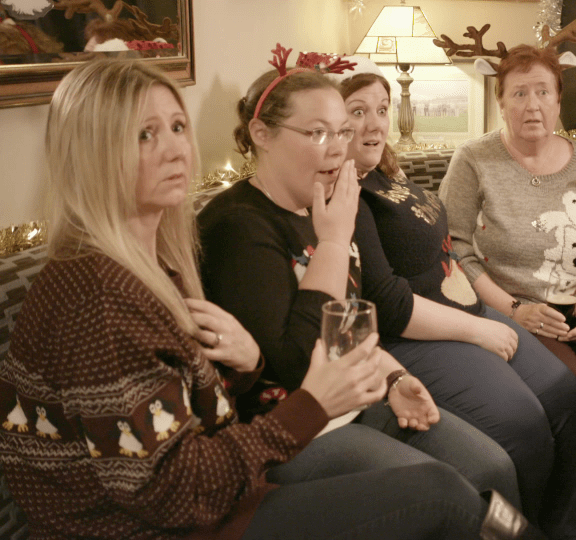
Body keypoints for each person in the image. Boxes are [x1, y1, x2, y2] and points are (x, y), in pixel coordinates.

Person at [0, 59, 535, 540]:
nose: (175, 148)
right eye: (144, 134)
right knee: (438, 495)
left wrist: (251, 363)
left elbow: (190, 409)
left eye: (178, 127)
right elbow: (177, 495)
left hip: (217, 491)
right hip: (151, 525)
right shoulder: (97, 297)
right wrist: (312, 405)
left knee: (473, 475)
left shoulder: (156, 265)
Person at [197, 51, 526, 513]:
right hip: (294, 432)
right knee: (446, 495)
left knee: (491, 467)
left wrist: (394, 378)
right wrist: (333, 242)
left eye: (340, 131)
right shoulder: (238, 227)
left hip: (362, 398)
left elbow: (350, 324)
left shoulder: (325, 201)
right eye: (316, 133)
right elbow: (296, 363)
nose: (336, 147)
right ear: (261, 135)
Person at [329, 56, 576, 540]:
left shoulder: (387, 175)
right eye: (358, 111)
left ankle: (566, 528)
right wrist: (482, 327)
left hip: (469, 313)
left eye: (383, 108)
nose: (375, 122)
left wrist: (488, 313)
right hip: (418, 335)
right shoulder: (348, 195)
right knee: (522, 425)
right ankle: (524, 533)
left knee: (564, 393)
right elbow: (387, 302)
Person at [440, 45, 576, 430]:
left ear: (558, 100)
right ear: (501, 101)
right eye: (519, 93)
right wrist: (515, 310)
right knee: (569, 387)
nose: (533, 106)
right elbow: (453, 249)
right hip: (510, 310)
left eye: (543, 92)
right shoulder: (474, 160)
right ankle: (569, 490)